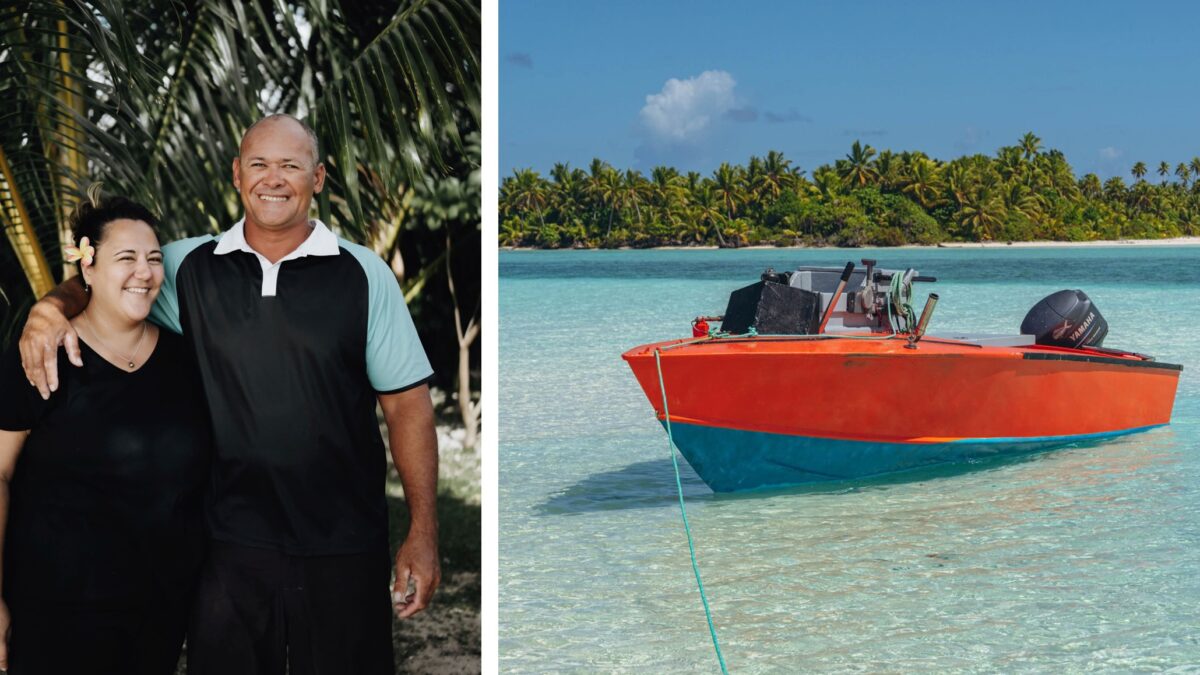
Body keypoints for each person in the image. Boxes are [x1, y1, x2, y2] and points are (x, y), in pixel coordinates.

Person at [18, 114, 440, 675]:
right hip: (227, 545)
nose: (274, 178)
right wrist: (49, 308)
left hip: (344, 543)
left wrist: (423, 531)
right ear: (237, 175)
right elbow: (113, 278)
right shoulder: (186, 266)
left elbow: (407, 404)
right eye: (260, 165)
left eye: (291, 165)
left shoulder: (364, 275)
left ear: (317, 178)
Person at [0, 192, 211, 674]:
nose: (145, 271)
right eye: (127, 258)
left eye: (155, 259)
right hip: (52, 619)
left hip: (156, 621)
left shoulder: (188, 362)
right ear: (88, 270)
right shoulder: (39, 356)